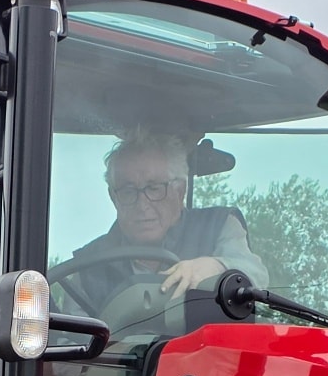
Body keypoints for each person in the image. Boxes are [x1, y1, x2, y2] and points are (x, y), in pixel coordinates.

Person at [57, 133, 266, 318]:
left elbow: (258, 277)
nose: (142, 204)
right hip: (120, 364)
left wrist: (217, 266)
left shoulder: (218, 226)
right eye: (128, 191)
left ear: (180, 190)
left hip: (213, 360)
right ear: (113, 197)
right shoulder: (87, 267)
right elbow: (70, 350)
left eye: (154, 188)